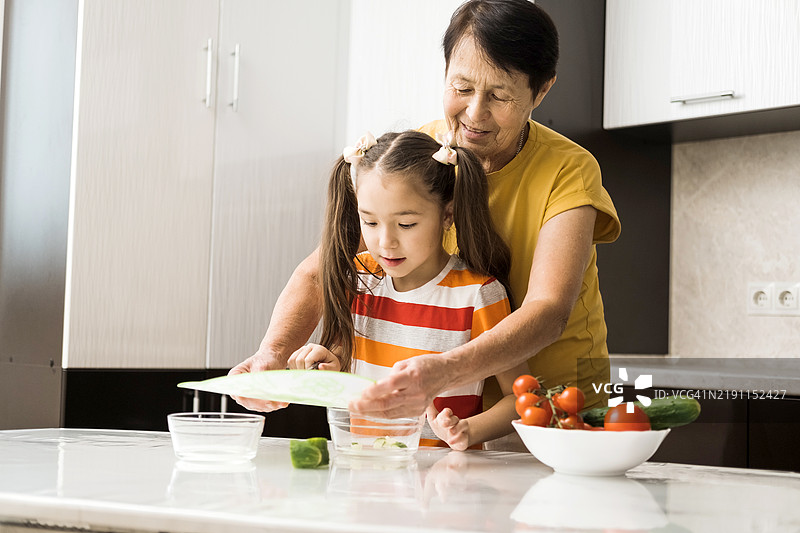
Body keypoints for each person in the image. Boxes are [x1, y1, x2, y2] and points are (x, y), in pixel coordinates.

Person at [230, 0, 620, 448]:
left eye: (499, 96)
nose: (474, 113)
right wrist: (273, 353)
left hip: (553, 411)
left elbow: (549, 310)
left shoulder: (569, 169)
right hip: (447, 418)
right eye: (462, 87)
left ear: (541, 90)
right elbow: (325, 268)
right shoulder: (427, 152)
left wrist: (444, 370)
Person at [284, 130, 529, 450]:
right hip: (367, 466)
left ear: (447, 214)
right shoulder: (359, 279)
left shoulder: (477, 295)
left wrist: (468, 430)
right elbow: (347, 364)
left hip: (444, 474)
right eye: (370, 223)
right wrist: (326, 362)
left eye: (406, 224)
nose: (386, 242)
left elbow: (522, 398)